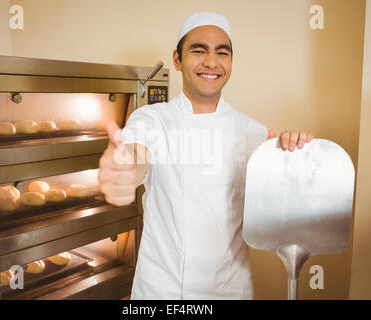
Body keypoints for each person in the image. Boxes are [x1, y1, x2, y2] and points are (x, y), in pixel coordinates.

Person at [98, 12, 314, 299]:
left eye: (221, 53)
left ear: (231, 63)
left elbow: (279, 213)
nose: (211, 62)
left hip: (229, 289)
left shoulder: (254, 133)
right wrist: (123, 169)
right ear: (177, 59)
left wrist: (293, 160)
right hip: (161, 289)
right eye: (198, 51)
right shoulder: (151, 119)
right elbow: (136, 154)